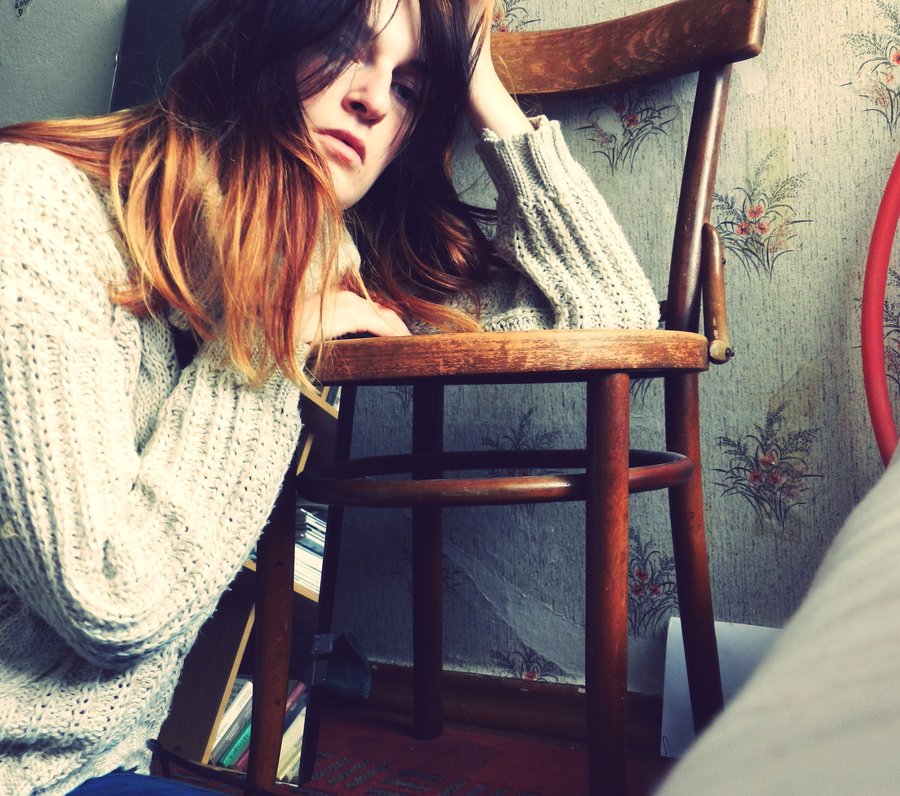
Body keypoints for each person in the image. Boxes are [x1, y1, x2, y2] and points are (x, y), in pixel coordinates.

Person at [0, 0, 658, 793]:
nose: (374, 100)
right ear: (263, 31)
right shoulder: (33, 209)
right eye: (344, 46)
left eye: (409, 87)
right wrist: (264, 350)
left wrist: (474, 70)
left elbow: (612, 315)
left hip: (97, 769)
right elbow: (112, 603)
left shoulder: (324, 264)